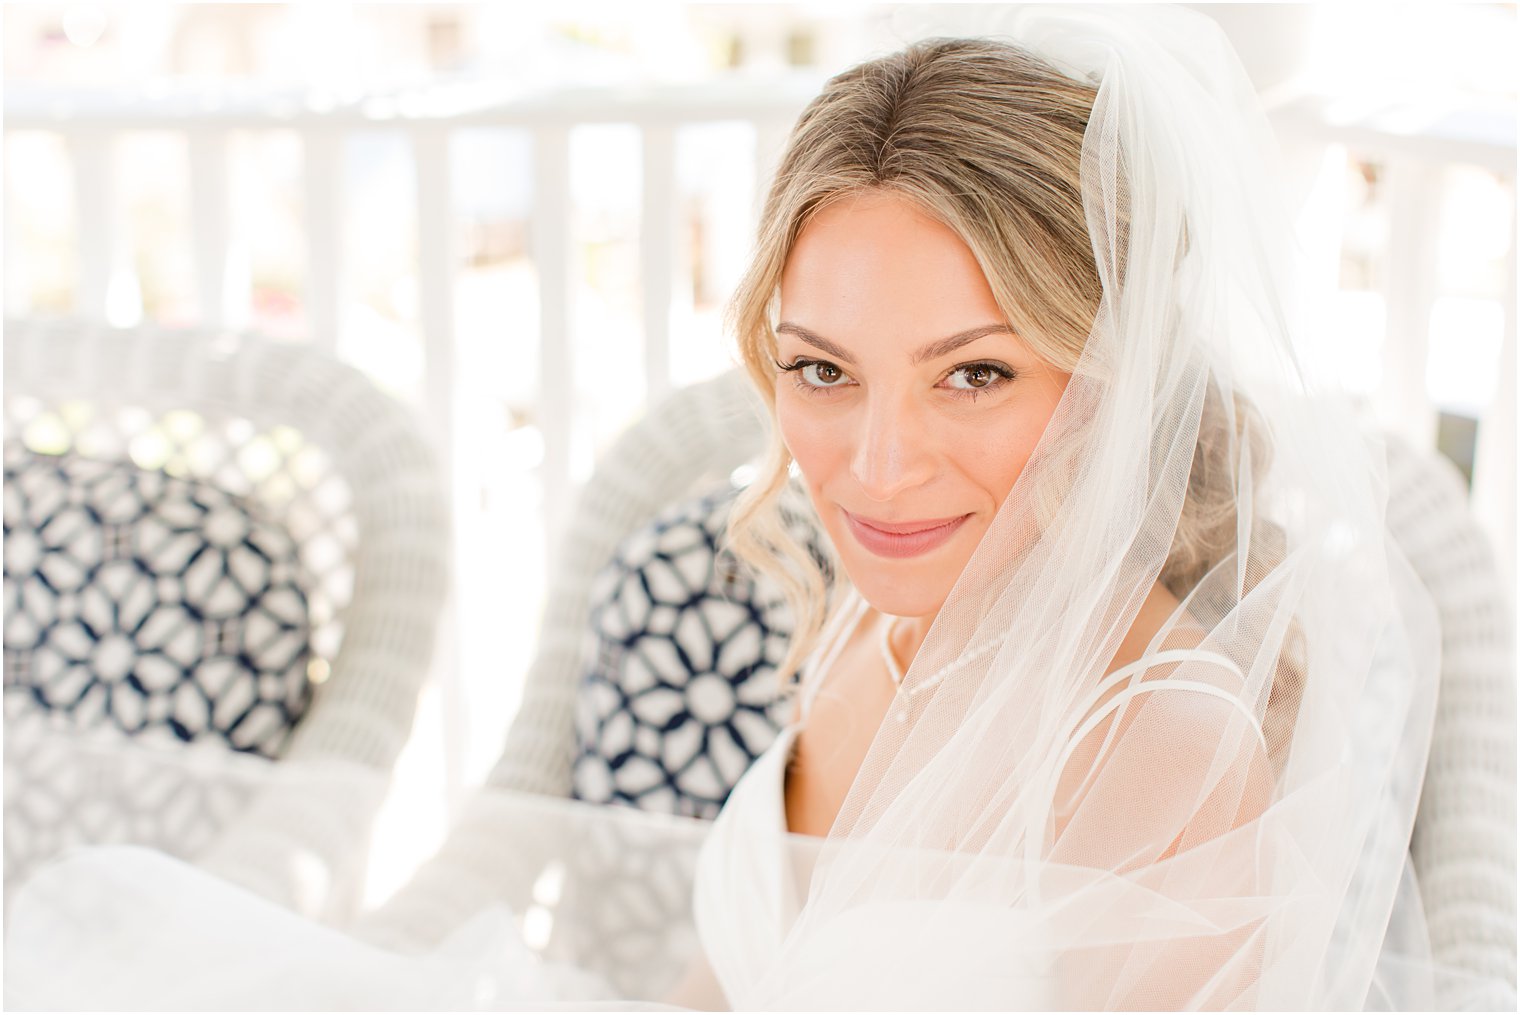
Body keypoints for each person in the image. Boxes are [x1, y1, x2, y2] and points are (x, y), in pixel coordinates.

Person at [6, 6, 1475, 1010]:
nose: (876, 466)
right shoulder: (873, 626)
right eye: (822, 369)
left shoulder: (1166, 747)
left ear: (1117, 379)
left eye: (974, 375)